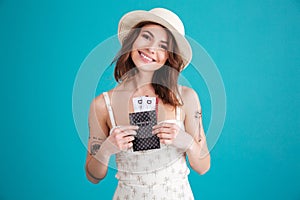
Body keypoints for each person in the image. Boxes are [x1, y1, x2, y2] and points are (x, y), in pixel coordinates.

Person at [85, 8, 210, 200]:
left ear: (170, 56)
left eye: (163, 46)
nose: (152, 49)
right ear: (132, 40)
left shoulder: (186, 98)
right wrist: (106, 149)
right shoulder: (102, 105)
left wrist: (188, 143)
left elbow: (203, 167)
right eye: (146, 37)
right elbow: (93, 176)